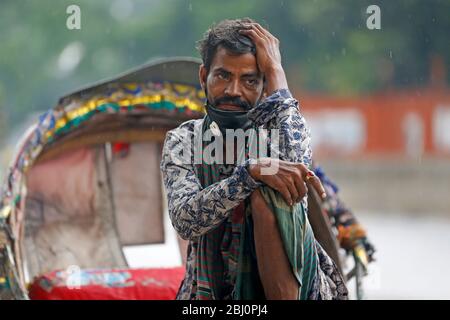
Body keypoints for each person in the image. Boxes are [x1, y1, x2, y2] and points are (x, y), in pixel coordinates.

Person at [160, 18, 348, 300]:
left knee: (269, 193)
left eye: (249, 80)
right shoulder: (182, 140)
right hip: (207, 295)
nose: (234, 91)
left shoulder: (276, 134)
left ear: (263, 86)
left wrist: (276, 72)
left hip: (297, 290)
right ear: (203, 77)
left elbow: (298, 164)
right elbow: (185, 220)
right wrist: (248, 175)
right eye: (223, 76)